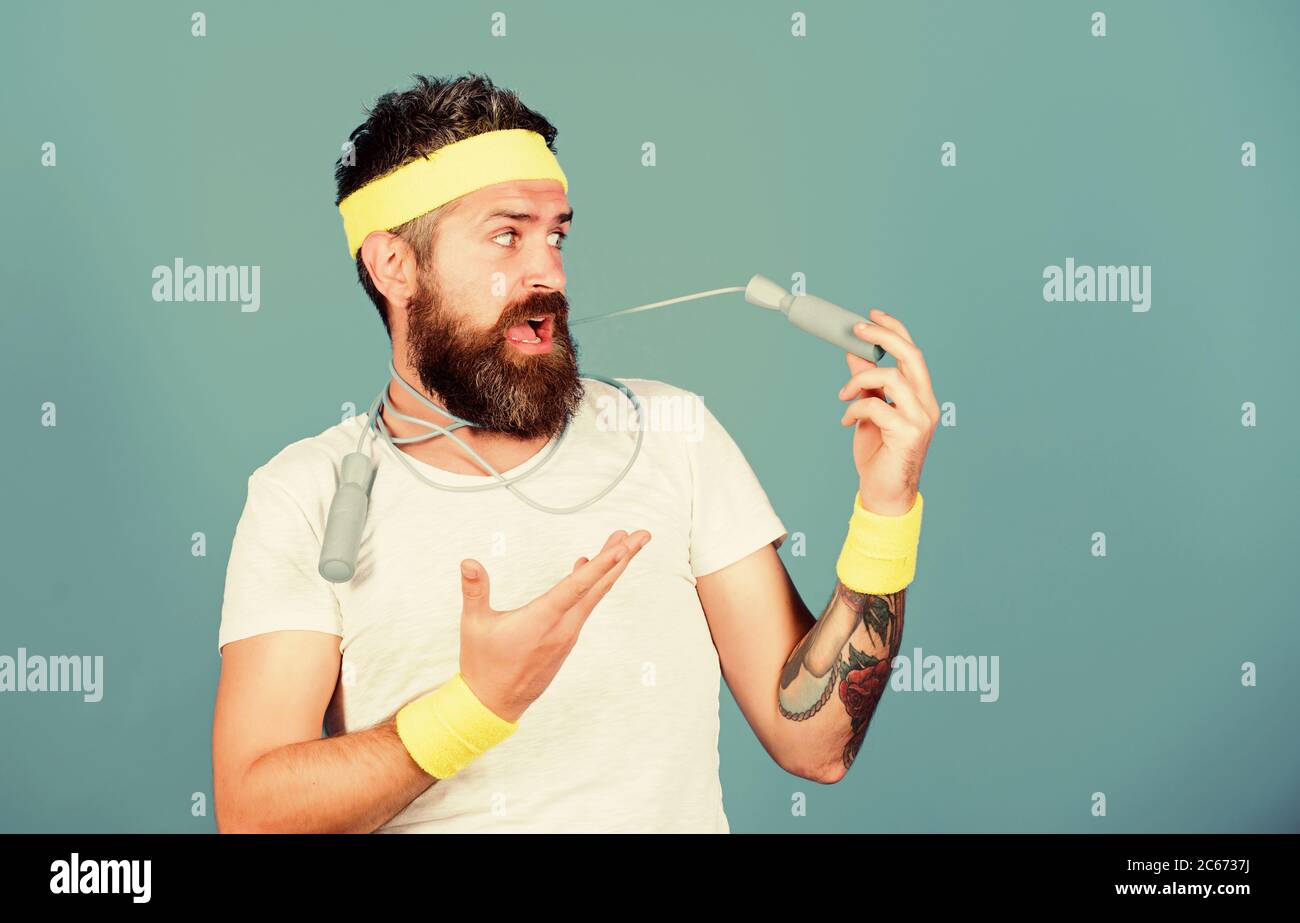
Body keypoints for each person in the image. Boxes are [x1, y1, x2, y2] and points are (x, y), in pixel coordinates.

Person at [211, 73, 939, 834]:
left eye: (556, 234)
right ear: (395, 266)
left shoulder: (672, 433)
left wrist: (885, 510)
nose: (548, 273)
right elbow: (255, 815)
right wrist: (476, 707)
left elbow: (814, 742)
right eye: (507, 235)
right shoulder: (306, 495)